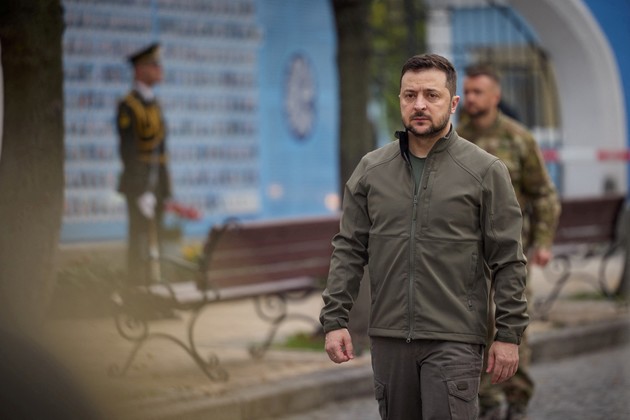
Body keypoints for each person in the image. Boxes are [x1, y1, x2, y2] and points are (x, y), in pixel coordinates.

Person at [319, 54, 529, 420]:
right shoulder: (371, 170)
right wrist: (335, 320)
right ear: (400, 100)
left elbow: (508, 258)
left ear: (453, 102)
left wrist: (509, 334)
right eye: (410, 95)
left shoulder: (485, 171)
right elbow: (349, 249)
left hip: (455, 337)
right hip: (389, 339)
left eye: (431, 95)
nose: (419, 104)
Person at [458, 63, 561, 420]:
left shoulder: (519, 139)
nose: (470, 98)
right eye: (467, 92)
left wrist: (544, 241)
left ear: (496, 96)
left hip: (509, 251)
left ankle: (517, 398)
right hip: (466, 251)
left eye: (478, 92)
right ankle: (486, 400)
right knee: (473, 323)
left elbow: (544, 194)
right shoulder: (456, 140)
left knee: (510, 322)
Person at [116, 42, 171, 286]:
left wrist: (163, 188)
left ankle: (154, 291)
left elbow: (161, 150)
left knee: (156, 241)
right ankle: (136, 292)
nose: (159, 69)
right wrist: (141, 191)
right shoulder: (129, 105)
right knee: (139, 239)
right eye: (154, 65)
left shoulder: (155, 103)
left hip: (157, 183)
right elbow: (129, 151)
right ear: (140, 69)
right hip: (139, 185)